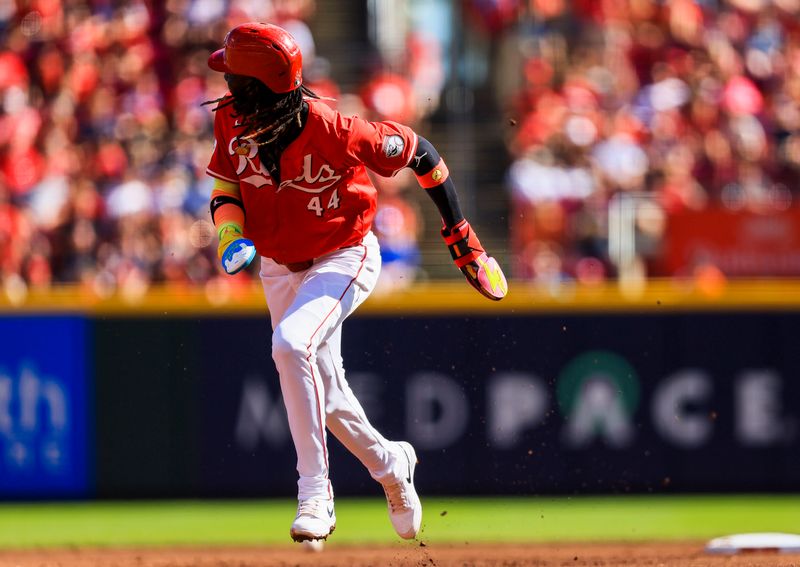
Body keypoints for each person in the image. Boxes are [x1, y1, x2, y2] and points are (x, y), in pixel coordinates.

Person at [204, 22, 508, 543]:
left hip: (343, 255)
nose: (227, 85)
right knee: (328, 395)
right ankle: (391, 465)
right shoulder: (233, 120)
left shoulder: (336, 128)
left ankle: (314, 492)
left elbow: (422, 153)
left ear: (257, 84)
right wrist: (229, 229)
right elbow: (226, 180)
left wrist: (460, 235)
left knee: (289, 343)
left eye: (234, 76)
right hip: (278, 264)